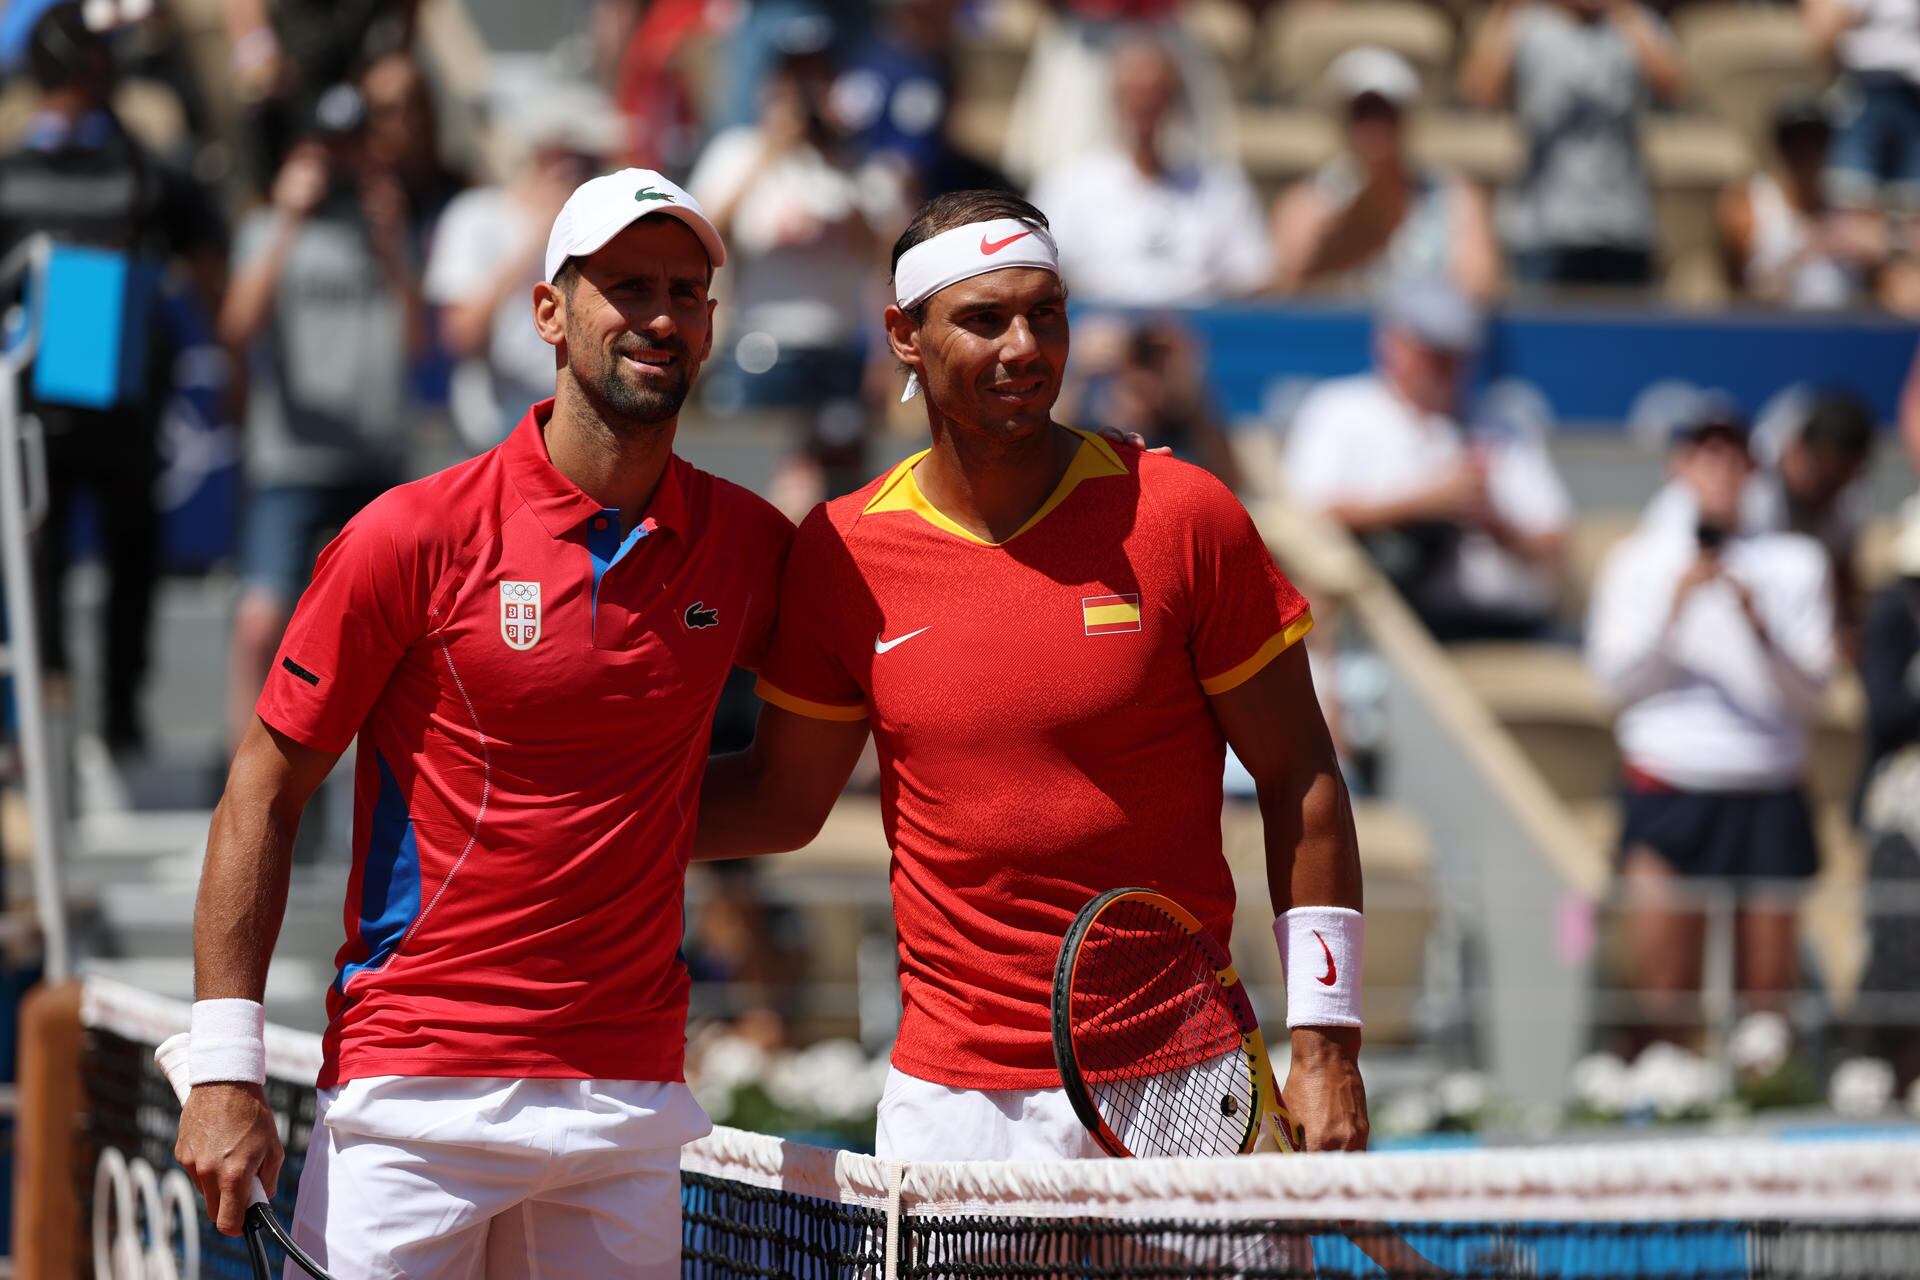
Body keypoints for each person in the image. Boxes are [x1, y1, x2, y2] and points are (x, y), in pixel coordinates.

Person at [173, 169, 794, 1275]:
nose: (660, 316)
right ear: (548, 311)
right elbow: (262, 789)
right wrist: (226, 1063)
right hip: (414, 1096)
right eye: (627, 286)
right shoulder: (409, 534)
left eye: (686, 292)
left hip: (630, 1100)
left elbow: (794, 793)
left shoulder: (749, 544)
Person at [695, 189, 1369, 1162]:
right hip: (951, 1106)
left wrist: (1329, 1045)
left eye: (1044, 312)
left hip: (1187, 1075)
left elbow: (1302, 778)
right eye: (984, 318)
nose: (1024, 346)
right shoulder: (840, 552)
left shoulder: (1186, 515)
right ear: (904, 336)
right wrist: (560, 821)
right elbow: (782, 797)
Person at [0, 3, 226, 753]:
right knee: (41, 555)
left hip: (121, 401)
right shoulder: (15, 171)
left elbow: (205, 257)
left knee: (126, 557)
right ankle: (52, 705)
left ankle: (118, 715)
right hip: (34, 412)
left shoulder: (146, 168)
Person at [1586, 411, 1835, 1050]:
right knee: (1665, 996)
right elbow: (1613, 684)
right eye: (1705, 453)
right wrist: (1673, 613)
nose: (1720, 470)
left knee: (1766, 1006)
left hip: (1768, 786)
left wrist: (1760, 625)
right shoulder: (1636, 562)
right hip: (1669, 783)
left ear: (1752, 468)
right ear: (1679, 464)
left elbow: (1814, 693)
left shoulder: (1795, 562)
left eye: (1734, 456)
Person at [219, 81, 429, 754]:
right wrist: (286, 219)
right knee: (260, 622)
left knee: (402, 632)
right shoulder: (266, 228)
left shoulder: (388, 228)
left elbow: (423, 343)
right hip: (291, 460)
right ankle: (241, 790)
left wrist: (392, 244)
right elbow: (236, 325)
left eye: (355, 148)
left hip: (376, 458)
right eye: (329, 149)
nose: (343, 164)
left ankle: (382, 790)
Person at [1283, 280, 1570, 643]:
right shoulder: (1340, 409)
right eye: (1431, 352)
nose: (1445, 367)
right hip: (1398, 632)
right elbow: (1308, 520)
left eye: (1456, 354)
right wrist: (1424, 505)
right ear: (1390, 345)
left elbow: (1554, 543)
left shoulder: (1502, 422)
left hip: (1515, 625)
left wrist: (1492, 521)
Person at [426, 90, 622, 449]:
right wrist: (537, 238)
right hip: (496, 429)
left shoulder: (598, 232)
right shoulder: (475, 216)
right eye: (585, 161)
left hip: (581, 428)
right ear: (550, 157)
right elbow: (460, 335)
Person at [1029, 35, 1269, 306]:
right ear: (1115, 99)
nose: (1144, 108)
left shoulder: (1222, 187)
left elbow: (1251, 279)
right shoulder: (1065, 185)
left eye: (1156, 96)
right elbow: (1042, 278)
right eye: (1134, 95)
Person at [1461, 0, 1684, 288]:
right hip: (1542, 229)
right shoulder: (1526, 23)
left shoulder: (1633, 23)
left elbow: (1674, 87)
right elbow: (1480, 93)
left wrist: (1624, 12)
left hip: (1624, 224)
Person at [1273, 46, 1500, 301]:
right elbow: (1284, 292)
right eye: (1362, 113)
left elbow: (1480, 288)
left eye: (1384, 114)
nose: (1373, 127)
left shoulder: (1455, 196)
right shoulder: (1306, 201)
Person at [1718, 96, 1878, 310]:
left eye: (1816, 141)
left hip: (1846, 332)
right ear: (1780, 148)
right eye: (1795, 143)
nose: (1806, 153)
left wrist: (1870, 246)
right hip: (1776, 330)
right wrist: (1799, 256)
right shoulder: (1750, 203)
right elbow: (1736, 286)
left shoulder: (1852, 206)